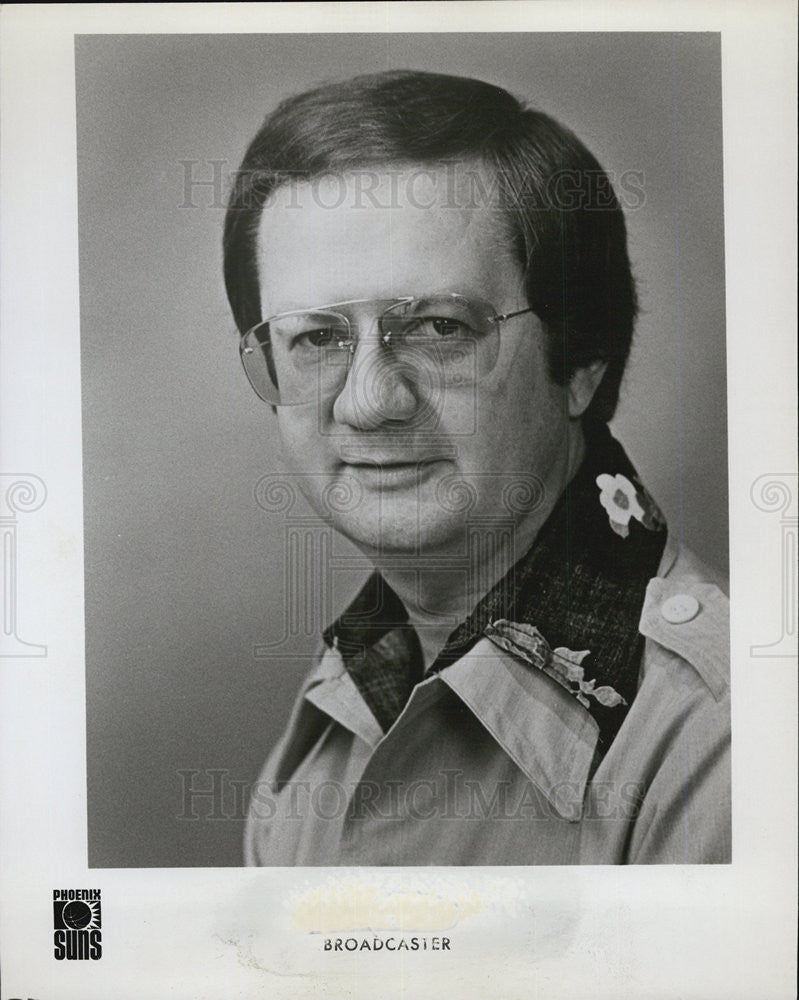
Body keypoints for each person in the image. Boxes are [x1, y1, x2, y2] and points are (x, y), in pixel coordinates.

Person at [223, 70, 730, 865]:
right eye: (315, 339)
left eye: (435, 326)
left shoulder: (725, 742)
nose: (369, 403)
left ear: (582, 358)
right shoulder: (326, 727)